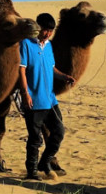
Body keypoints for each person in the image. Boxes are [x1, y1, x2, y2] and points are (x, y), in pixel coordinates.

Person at [18, 12, 75, 180]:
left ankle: (44, 162)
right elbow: (21, 69)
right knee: (35, 139)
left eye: (51, 31)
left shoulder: (49, 46)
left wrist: (64, 76)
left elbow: (51, 68)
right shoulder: (26, 44)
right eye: (45, 30)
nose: (48, 34)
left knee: (59, 132)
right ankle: (32, 172)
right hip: (33, 101)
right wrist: (24, 93)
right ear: (38, 28)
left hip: (50, 101)